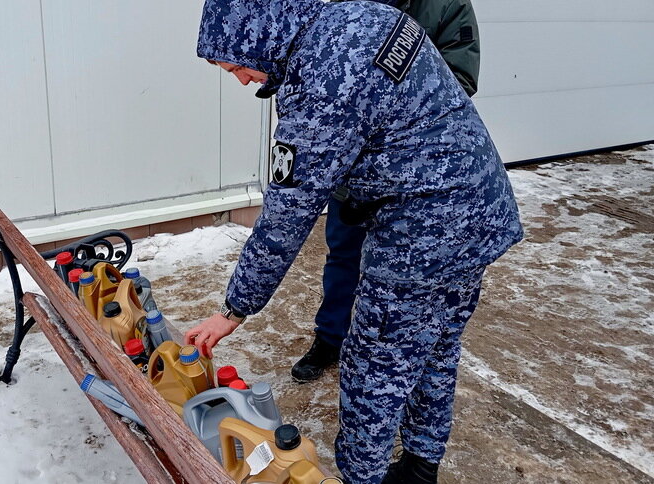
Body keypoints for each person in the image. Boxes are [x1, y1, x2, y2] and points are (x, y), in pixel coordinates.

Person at [185, 0, 523, 482]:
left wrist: (234, 308)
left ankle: (362, 478)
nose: (242, 81)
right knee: (437, 341)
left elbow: (287, 213)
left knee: (373, 369)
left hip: (424, 231)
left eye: (237, 66)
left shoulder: (324, 80)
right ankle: (421, 466)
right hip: (480, 206)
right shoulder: (360, 15)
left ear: (260, 34)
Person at [296, 0, 482, 386]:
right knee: (343, 254)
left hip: (414, 178)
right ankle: (330, 338)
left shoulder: (448, 6)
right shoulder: (351, 5)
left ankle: (397, 356)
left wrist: (382, 106)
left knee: (407, 274)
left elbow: (460, 81)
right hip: (353, 170)